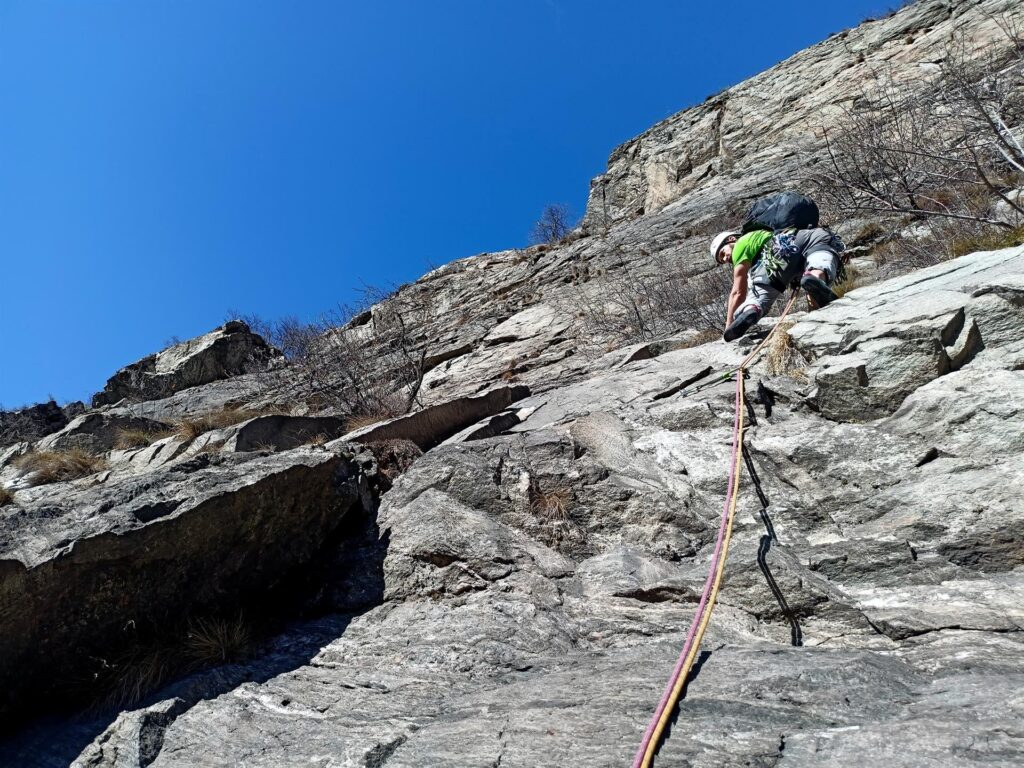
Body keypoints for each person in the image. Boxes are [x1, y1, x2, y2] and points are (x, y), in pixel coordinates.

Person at [709, 227, 844, 342]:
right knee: (819, 263)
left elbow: (737, 292)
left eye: (723, 254)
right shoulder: (762, 233)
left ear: (731, 239)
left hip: (777, 253)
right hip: (809, 237)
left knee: (759, 294)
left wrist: (728, 327)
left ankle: (752, 308)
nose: (726, 259)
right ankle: (815, 277)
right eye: (723, 261)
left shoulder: (740, 245)